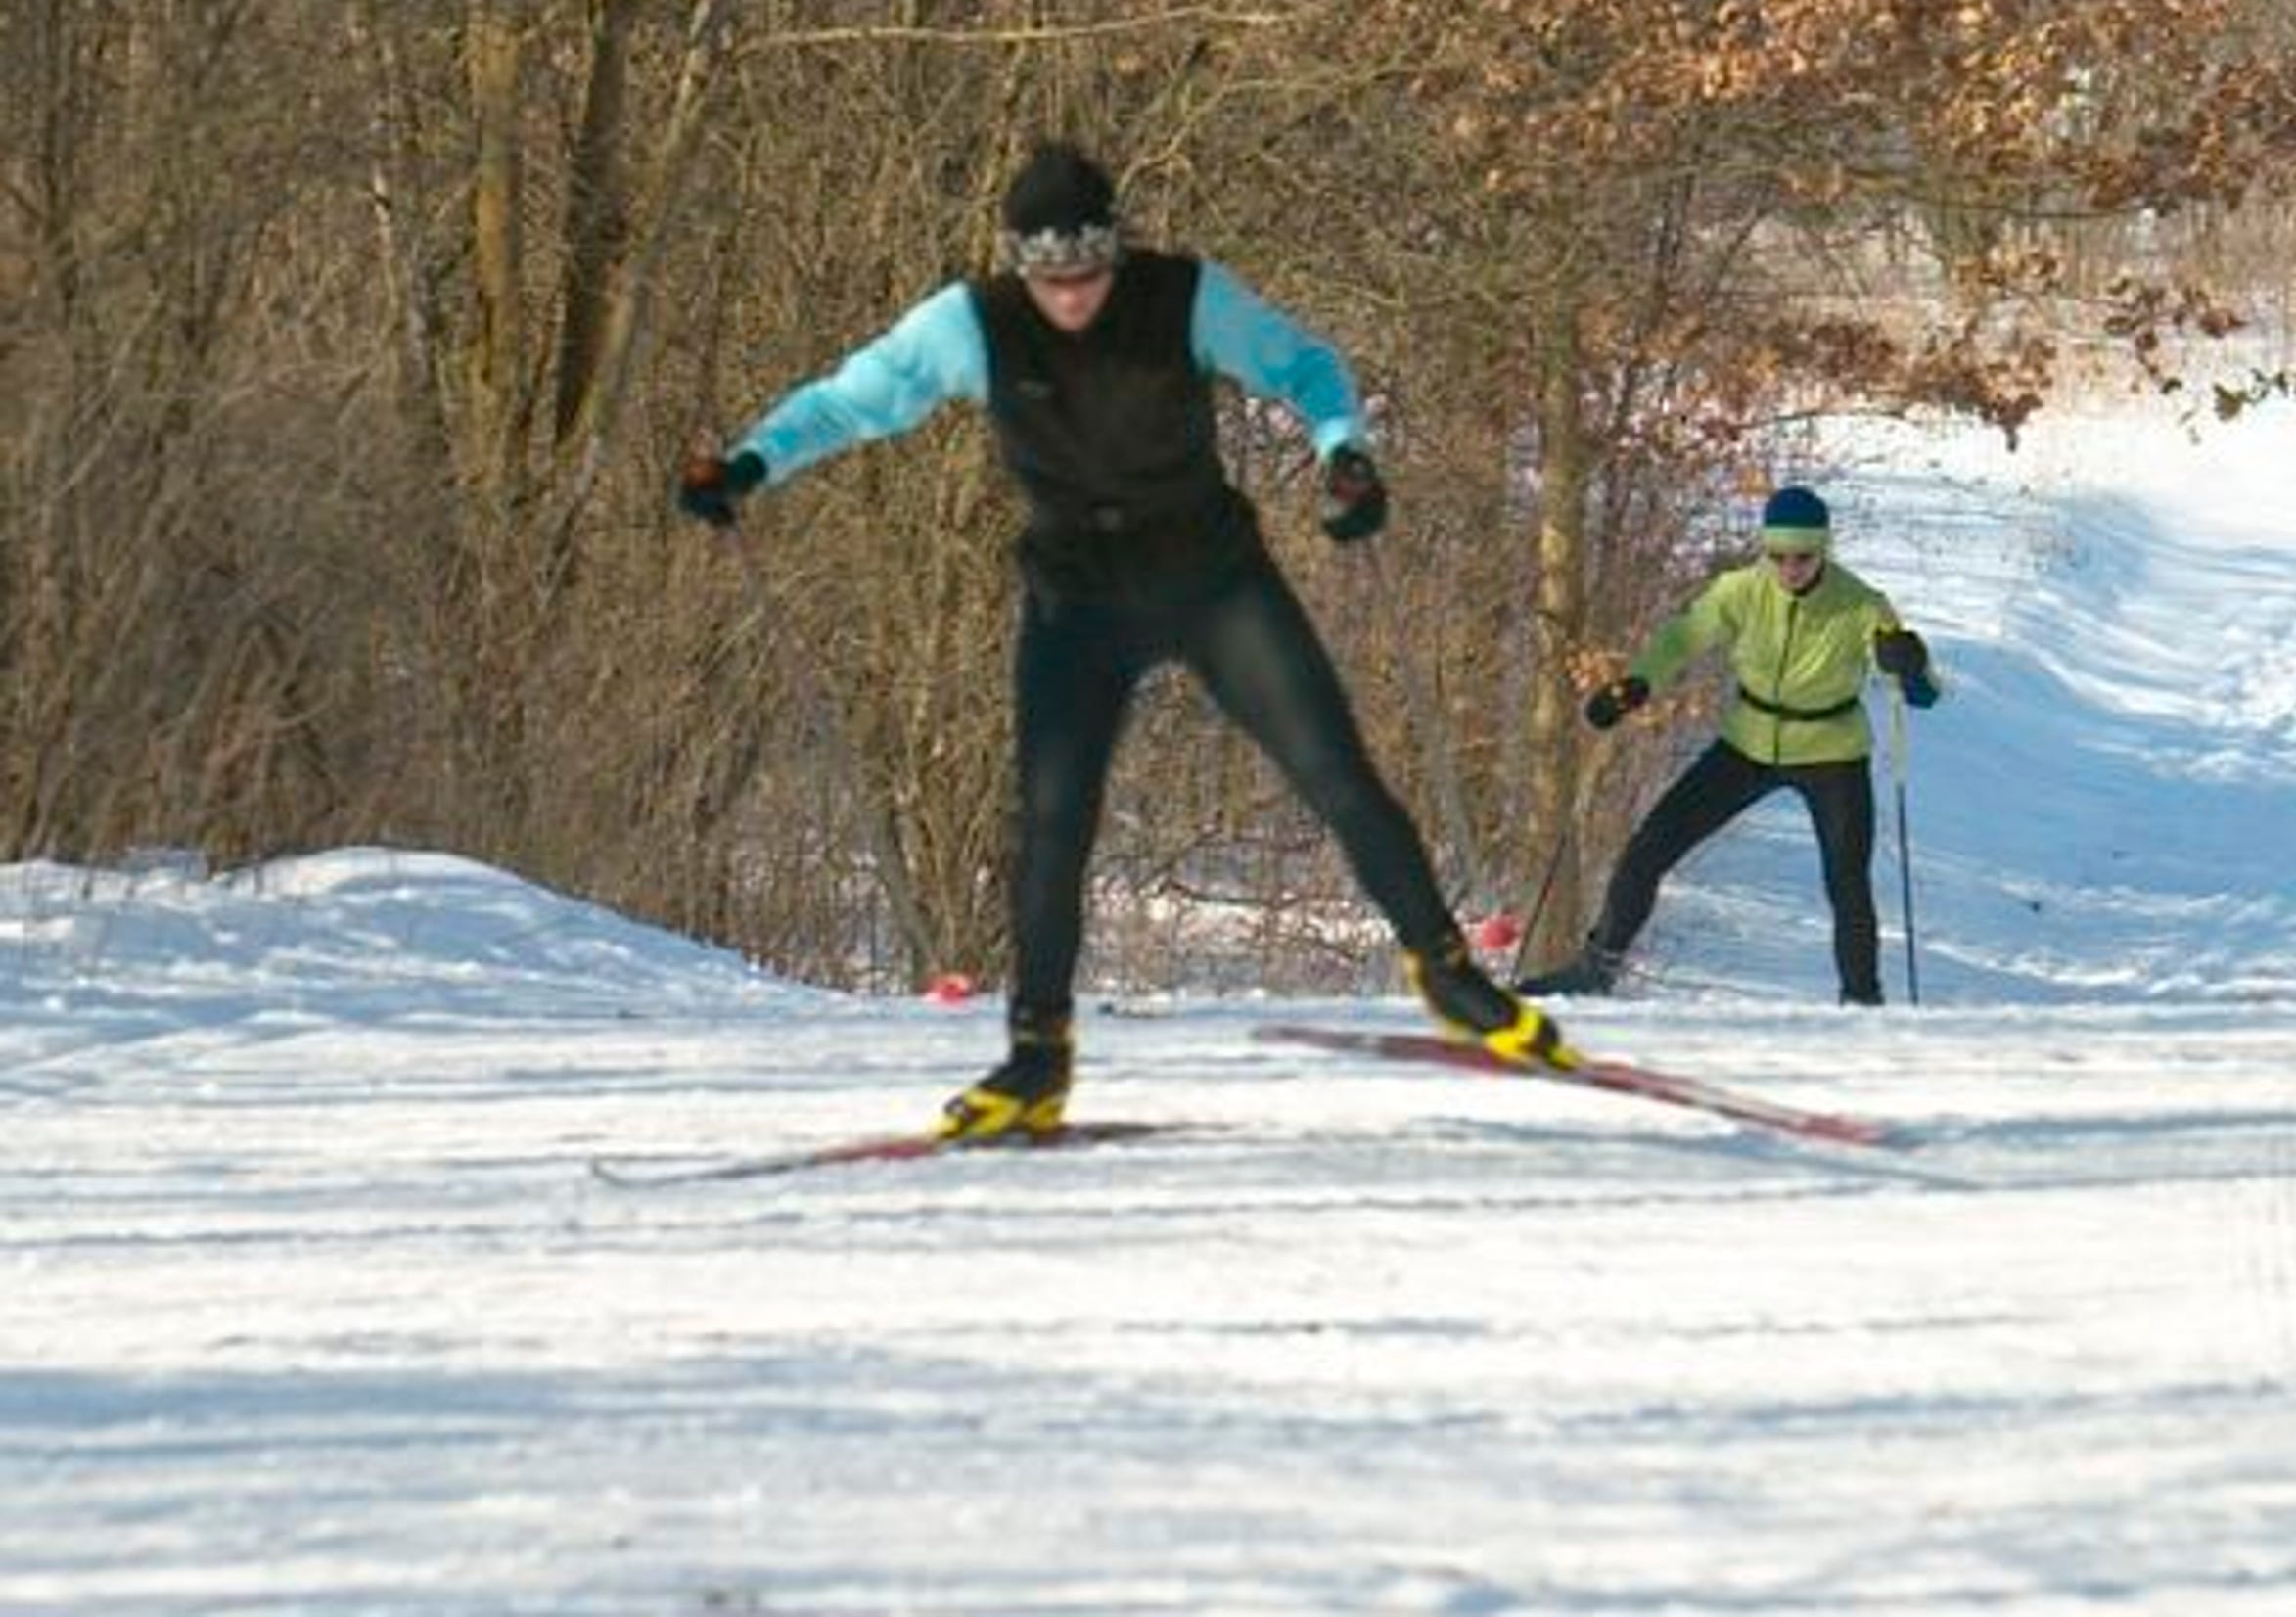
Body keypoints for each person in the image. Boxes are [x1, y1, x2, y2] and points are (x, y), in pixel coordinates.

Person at [675, 139, 1567, 1142]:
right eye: (1051, 279)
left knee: (1333, 769)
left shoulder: (1184, 296)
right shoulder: (972, 324)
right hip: (1078, 600)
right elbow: (853, 399)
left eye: (1090, 274)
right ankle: (1035, 1057)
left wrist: (1343, 455)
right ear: (1020, 264)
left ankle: (1448, 976)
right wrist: (750, 463)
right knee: (1052, 823)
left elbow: (1304, 367)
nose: (1072, 300)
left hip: (1213, 580)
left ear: (1115, 250)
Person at [1518, 486, 1939, 1004]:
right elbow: (1682, 637)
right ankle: (1596, 967)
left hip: (1832, 753)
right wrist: (1636, 684)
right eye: (1778, 556)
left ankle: (1862, 1001)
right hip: (1747, 744)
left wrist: (1910, 666)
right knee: (1648, 850)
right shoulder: (1740, 590)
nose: (1789, 569)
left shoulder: (1861, 605)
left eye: (1802, 557)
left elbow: (1921, 696)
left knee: (1847, 883)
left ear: (1823, 550)